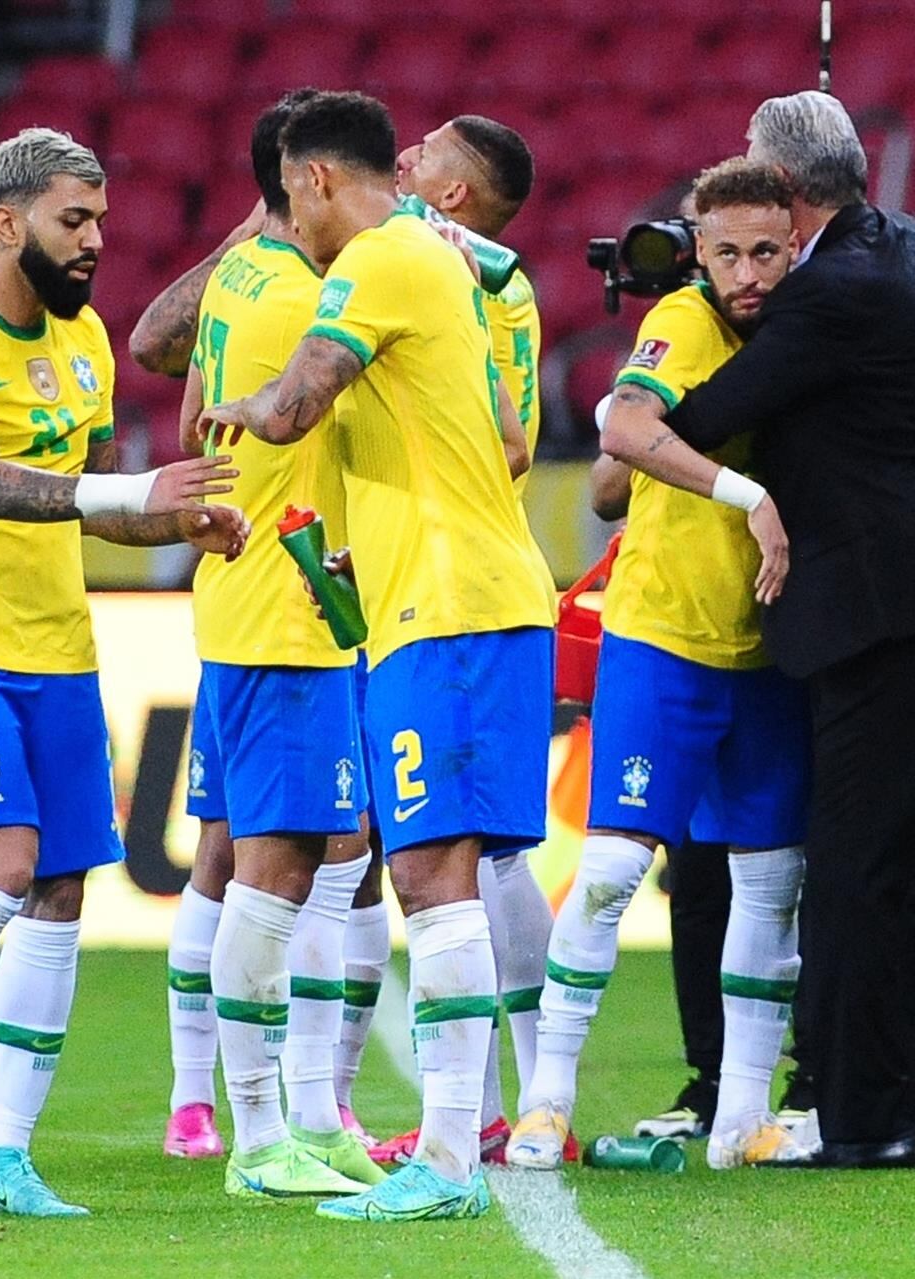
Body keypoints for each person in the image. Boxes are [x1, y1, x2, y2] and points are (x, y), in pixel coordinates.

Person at [600, 92, 915, 1170]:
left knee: (853, 865)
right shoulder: (911, 250)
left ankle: (861, 1115)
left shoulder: (824, 296)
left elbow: (677, 427)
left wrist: (656, 372)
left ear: (785, 190)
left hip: (883, 610)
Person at [0, 127, 249, 1220]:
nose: (92, 244)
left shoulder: (81, 350)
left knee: (60, 889)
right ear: (7, 220)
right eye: (72, 221)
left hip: (59, 652)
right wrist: (134, 494)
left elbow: (75, 504)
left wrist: (179, 521)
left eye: (99, 224)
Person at [201, 91, 556, 1223]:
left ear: (311, 181)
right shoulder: (431, 261)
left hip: (450, 608)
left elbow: (299, 399)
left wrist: (236, 407)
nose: (285, 235)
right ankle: (452, 1144)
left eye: (287, 209)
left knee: (428, 873)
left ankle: (449, 1156)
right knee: (433, 871)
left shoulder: (377, 260)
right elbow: (489, 433)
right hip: (442, 602)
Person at [507, 157, 817, 1173]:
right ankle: (546, 1102)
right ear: (696, 249)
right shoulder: (684, 321)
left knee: (766, 885)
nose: (745, 273)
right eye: (722, 252)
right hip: (661, 641)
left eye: (764, 250)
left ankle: (739, 1120)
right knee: (606, 874)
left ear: (795, 239)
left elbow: (616, 467)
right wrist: (746, 495)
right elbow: (623, 433)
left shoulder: (813, 324)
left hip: (765, 647)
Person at [150, 89, 388, 1200]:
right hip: (291, 609)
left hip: (254, 594)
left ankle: (297, 1116)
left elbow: (189, 392)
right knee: (275, 873)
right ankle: (258, 1137)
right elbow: (289, 411)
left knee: (305, 859)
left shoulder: (241, 274)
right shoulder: (307, 295)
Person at [365, 111, 550, 1170]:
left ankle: (520, 1098)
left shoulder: (488, 287)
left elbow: (506, 446)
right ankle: (485, 1106)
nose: (400, 159)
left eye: (420, 155)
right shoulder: (392, 259)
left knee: (472, 854)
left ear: (452, 199)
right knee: (444, 858)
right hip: (394, 585)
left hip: (459, 594)